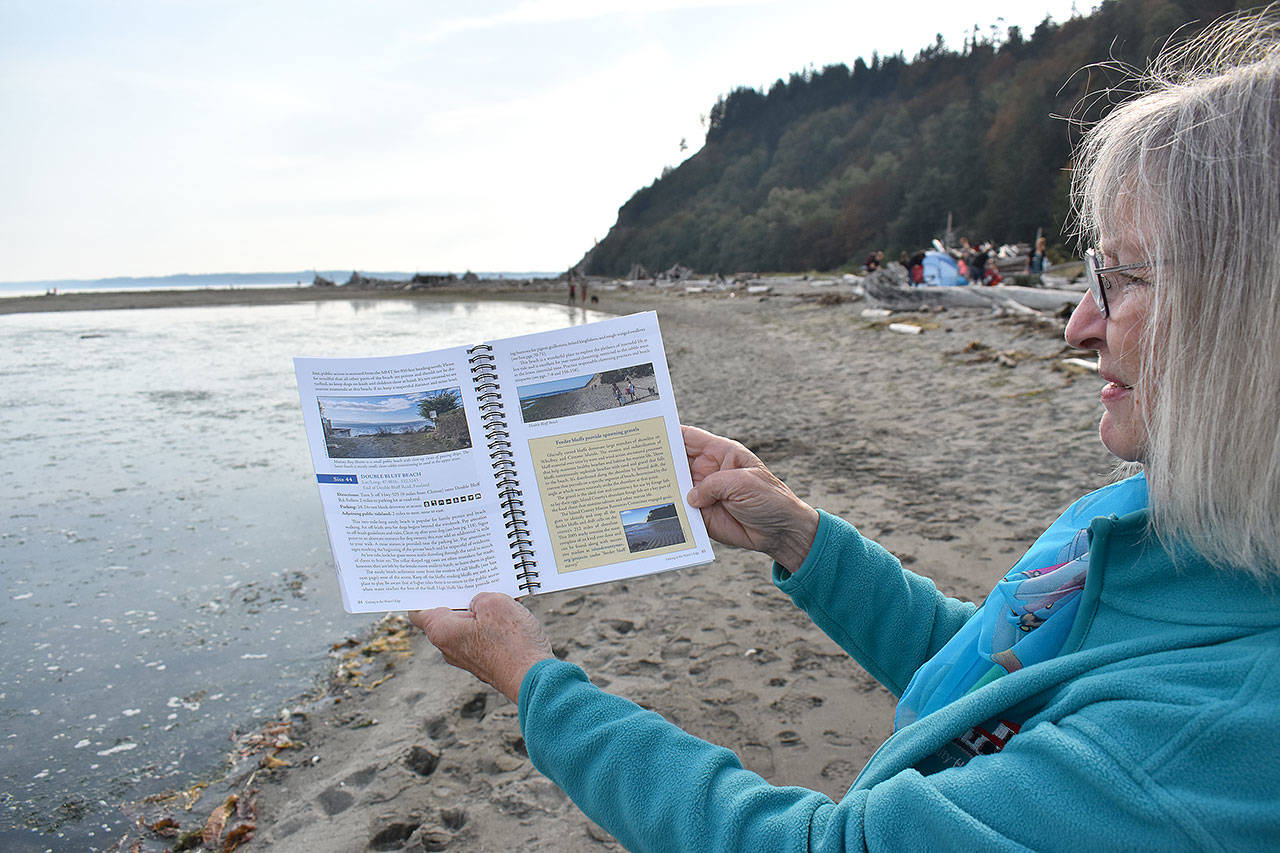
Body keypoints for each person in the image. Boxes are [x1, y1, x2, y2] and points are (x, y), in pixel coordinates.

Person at [412, 12, 1280, 850]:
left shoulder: (1210, 741)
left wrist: (535, 682)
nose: (1079, 323)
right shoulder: (1165, 518)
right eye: (1092, 273)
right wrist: (801, 538)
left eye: (1124, 277)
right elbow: (991, 676)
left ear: (1255, 309)